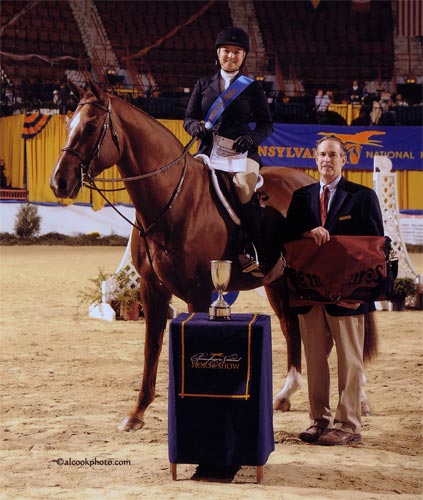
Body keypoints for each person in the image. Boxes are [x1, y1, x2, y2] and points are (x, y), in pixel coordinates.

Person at [285, 135, 384, 446]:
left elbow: (374, 249)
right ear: (315, 160)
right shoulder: (301, 198)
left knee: (349, 360)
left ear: (345, 160)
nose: (326, 160)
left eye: (333, 155)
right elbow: (286, 238)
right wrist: (305, 231)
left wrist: (364, 295)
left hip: (349, 296)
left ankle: (348, 423)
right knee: (314, 359)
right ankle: (318, 419)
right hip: (310, 293)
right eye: (321, 155)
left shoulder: (362, 197)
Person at [184, 26, 273, 274]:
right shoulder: (203, 85)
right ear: (218, 53)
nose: (231, 56)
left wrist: (251, 138)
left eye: (236, 52)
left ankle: (253, 247)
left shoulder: (252, 88)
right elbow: (189, 118)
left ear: (243, 57)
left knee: (244, 187)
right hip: (209, 151)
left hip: (241, 153)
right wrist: (195, 128)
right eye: (226, 51)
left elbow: (267, 124)